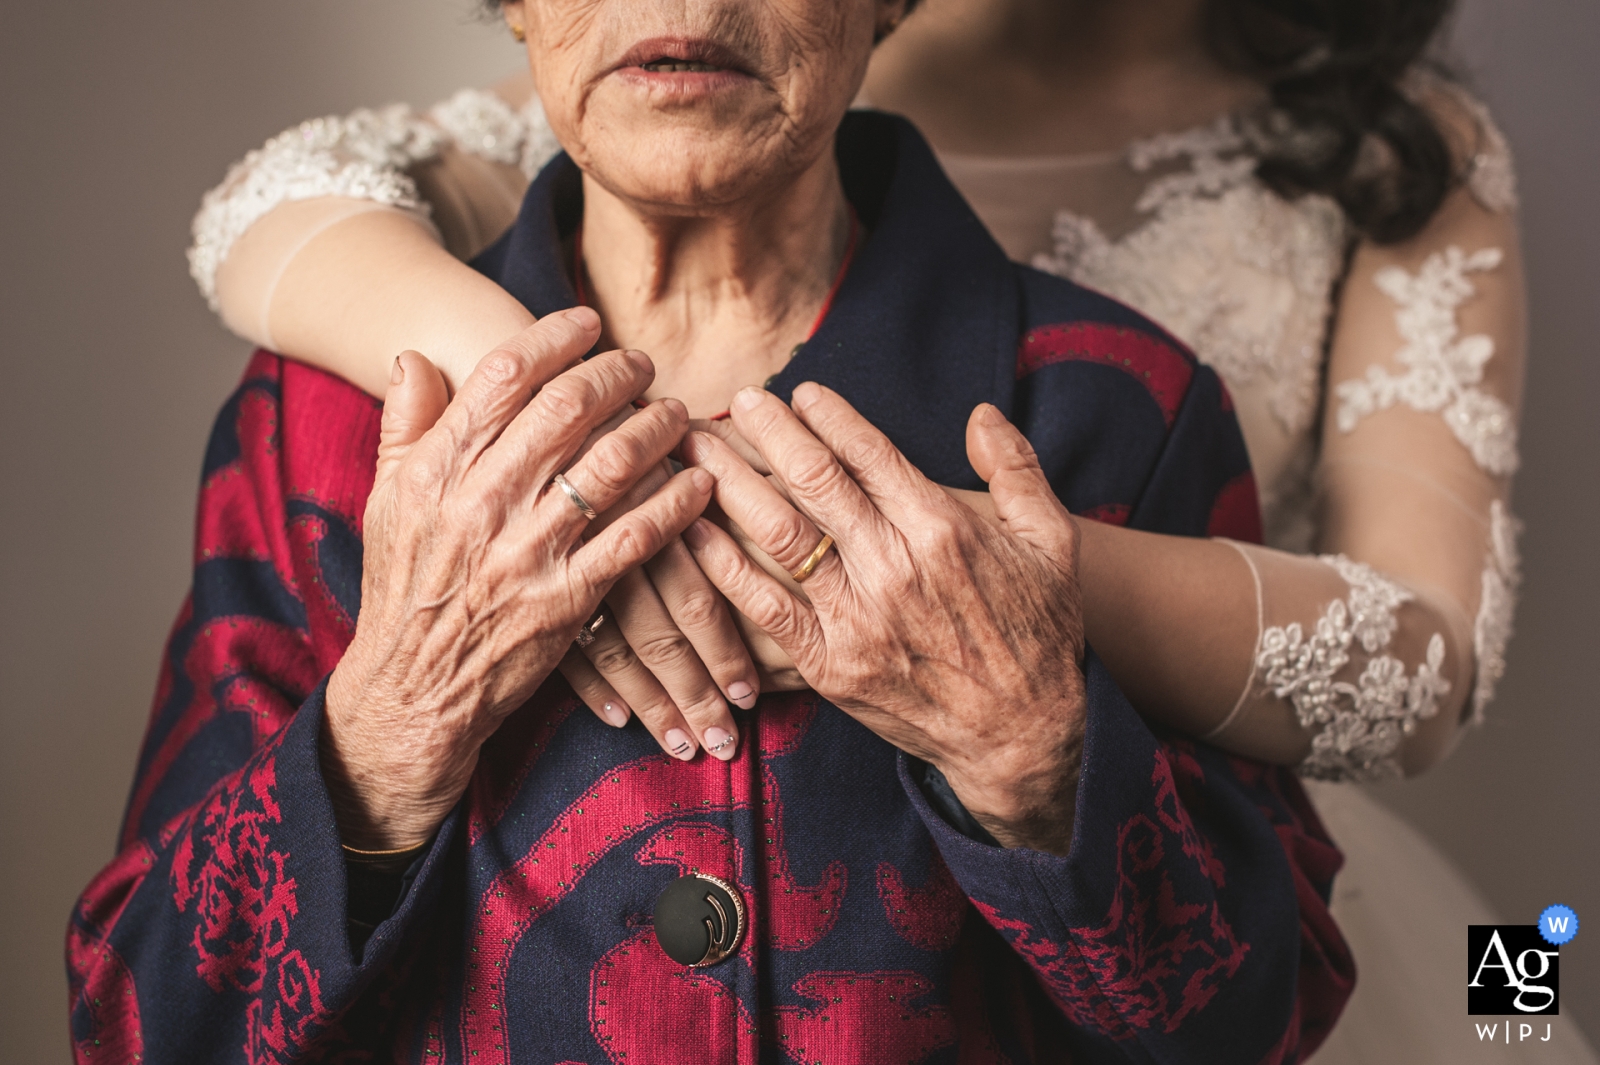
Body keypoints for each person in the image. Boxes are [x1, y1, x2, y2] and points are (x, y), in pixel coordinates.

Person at [167, 0, 1600, 1059]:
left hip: (1176, 812)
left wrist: (951, 571)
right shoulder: (702, 45)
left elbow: (1418, 658)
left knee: (1510, 1005)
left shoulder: (1391, 151)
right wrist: (590, 448)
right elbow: (275, 209)